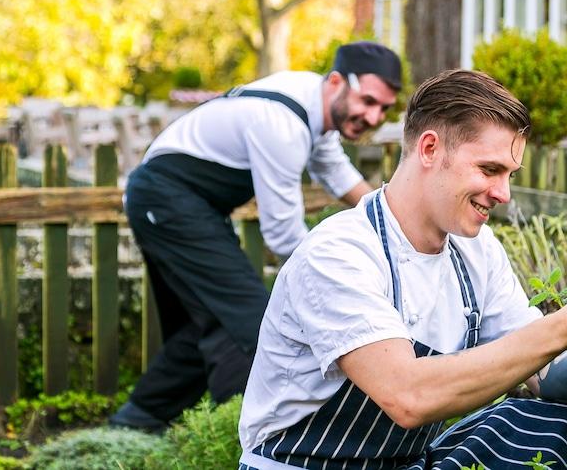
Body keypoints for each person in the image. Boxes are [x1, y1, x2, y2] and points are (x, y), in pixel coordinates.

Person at [237, 69, 567, 469]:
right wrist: (560, 328)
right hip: (299, 465)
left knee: (562, 424)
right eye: (489, 170)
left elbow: (544, 377)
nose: (504, 194)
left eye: (510, 176)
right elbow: (408, 397)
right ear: (429, 149)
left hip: (406, 464)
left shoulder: (476, 250)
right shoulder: (340, 252)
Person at [110, 42, 403, 432]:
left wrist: (394, 227)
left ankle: (136, 422)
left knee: (205, 322)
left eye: (383, 108)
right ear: (336, 82)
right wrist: (341, 277)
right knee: (246, 324)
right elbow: (283, 235)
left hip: (184, 204)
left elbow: (338, 174)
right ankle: (243, 436)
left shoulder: (312, 104)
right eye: (367, 101)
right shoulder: (282, 124)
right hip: (165, 198)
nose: (373, 116)